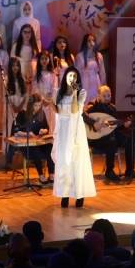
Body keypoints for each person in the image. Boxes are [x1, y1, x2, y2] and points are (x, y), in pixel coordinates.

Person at [52, 66, 96, 208]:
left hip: (75, 129)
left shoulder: (81, 92)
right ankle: (64, 194)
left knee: (76, 161)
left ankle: (79, 195)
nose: (72, 78)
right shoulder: (59, 92)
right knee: (64, 162)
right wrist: (49, 103)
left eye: (75, 76)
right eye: (70, 76)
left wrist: (75, 93)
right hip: (63, 130)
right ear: (65, 77)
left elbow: (74, 110)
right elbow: (58, 111)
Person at [83, 85, 135, 182]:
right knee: (111, 139)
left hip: (110, 136)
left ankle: (130, 170)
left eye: (109, 96)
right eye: (104, 96)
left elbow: (115, 125)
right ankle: (109, 171)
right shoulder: (92, 106)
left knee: (129, 140)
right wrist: (94, 123)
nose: (107, 98)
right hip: (95, 138)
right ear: (98, 95)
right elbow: (83, 117)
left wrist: (124, 125)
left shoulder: (112, 108)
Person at [12, 93, 55, 183]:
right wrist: (27, 134)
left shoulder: (41, 113)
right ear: (30, 105)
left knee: (50, 147)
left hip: (38, 142)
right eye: (35, 105)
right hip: (27, 145)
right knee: (35, 150)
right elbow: (16, 131)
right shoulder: (22, 114)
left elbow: (46, 128)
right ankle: (41, 175)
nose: (37, 108)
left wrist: (43, 130)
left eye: (39, 105)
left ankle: (51, 174)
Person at [75, 34, 106, 105]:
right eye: (89, 41)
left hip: (96, 81)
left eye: (93, 40)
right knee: (85, 103)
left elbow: (102, 72)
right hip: (84, 82)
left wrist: (103, 86)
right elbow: (77, 74)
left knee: (96, 102)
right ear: (85, 42)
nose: (91, 43)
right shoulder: (80, 56)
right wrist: (77, 89)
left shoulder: (99, 55)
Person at [33, 50, 57, 133]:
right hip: (41, 102)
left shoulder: (52, 74)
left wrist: (50, 100)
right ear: (39, 60)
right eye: (42, 59)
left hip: (50, 102)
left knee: (51, 122)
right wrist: (42, 99)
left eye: (46, 59)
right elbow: (35, 88)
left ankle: (51, 138)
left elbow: (54, 88)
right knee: (42, 122)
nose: (44, 61)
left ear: (49, 60)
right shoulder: (37, 74)